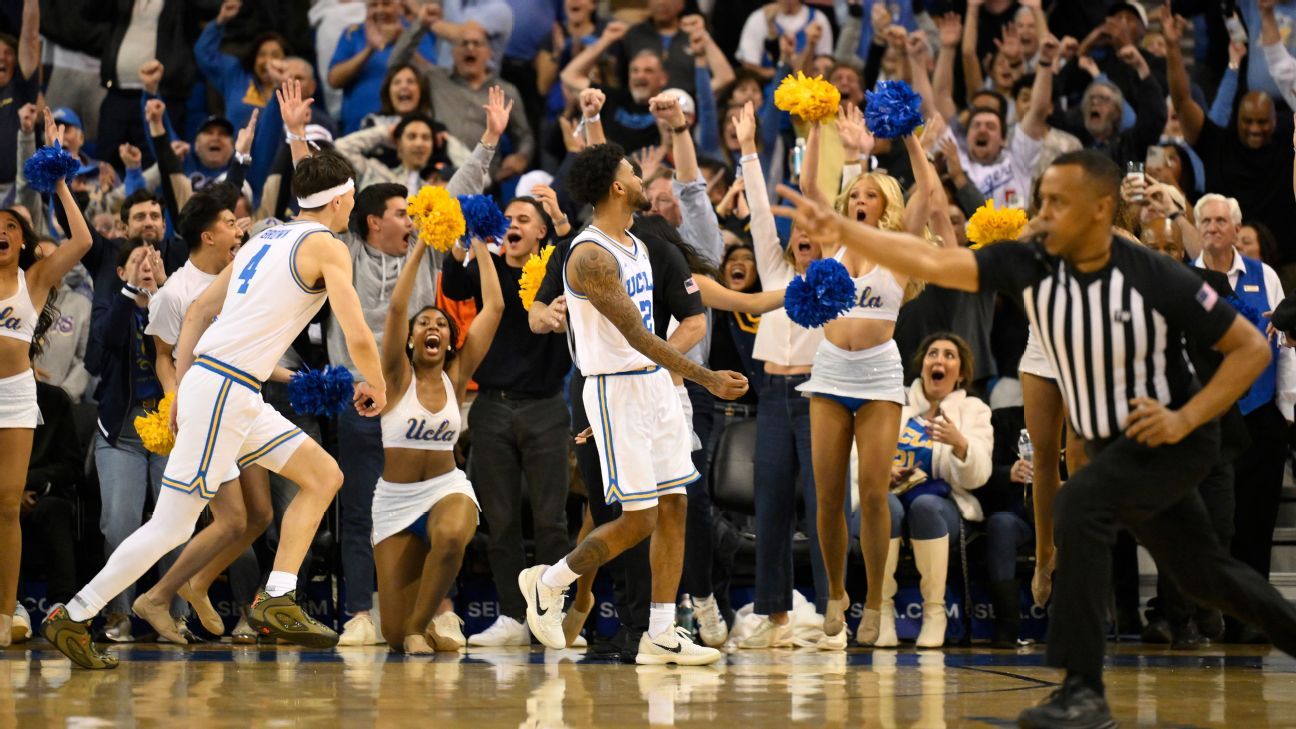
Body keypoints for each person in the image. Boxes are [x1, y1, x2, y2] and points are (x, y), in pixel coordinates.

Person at [773, 149, 1296, 727]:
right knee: (1206, 575)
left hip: (1169, 435)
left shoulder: (1153, 273)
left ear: (1101, 210)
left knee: (1078, 503)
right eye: (1040, 198)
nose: (1040, 212)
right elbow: (934, 261)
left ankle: (1082, 690)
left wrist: (1185, 418)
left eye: (1056, 202)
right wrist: (843, 228)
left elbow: (1249, 348)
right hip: (1112, 443)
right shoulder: (1030, 261)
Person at [41, 90, 388, 668]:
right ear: (344, 198)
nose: (351, 208)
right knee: (172, 524)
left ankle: (277, 595)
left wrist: (185, 386)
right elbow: (354, 333)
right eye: (351, 198)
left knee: (324, 474)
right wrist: (375, 383)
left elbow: (199, 313)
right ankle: (73, 614)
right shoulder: (328, 246)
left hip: (230, 389)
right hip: (225, 387)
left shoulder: (265, 238)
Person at [518, 142, 747, 665]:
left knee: (676, 504)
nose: (643, 178)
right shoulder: (590, 254)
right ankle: (548, 583)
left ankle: (661, 632)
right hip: (615, 389)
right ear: (617, 187)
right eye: (634, 172)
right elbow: (639, 335)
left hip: (651, 387)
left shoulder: (635, 244)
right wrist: (706, 376)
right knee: (638, 519)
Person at [441, 194, 573, 649]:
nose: (514, 224)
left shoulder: (558, 272)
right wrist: (473, 235)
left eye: (524, 219)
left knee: (551, 519)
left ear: (540, 233)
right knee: (499, 521)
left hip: (547, 406)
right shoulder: (489, 270)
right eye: (509, 218)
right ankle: (512, 616)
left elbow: (576, 249)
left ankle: (552, 614)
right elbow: (456, 285)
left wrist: (559, 219)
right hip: (492, 406)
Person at [374, 230, 502, 654]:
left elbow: (495, 306)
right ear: (411, 339)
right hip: (395, 501)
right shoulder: (394, 376)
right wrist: (423, 245)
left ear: (449, 339)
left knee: (450, 536)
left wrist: (482, 242)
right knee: (390, 635)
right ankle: (422, 626)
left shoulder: (457, 375)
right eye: (424, 323)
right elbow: (396, 307)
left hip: (446, 489)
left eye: (441, 324)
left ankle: (420, 627)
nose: (433, 327)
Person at [0, 109, 94, 647]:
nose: (5, 233)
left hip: (15, 397)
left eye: (13, 227)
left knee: (9, 506)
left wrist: (59, 181)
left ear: (24, 240)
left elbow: (80, 241)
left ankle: (9, 609)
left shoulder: (35, 280)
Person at [864, 334, 993, 649]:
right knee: (886, 507)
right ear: (922, 366)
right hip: (890, 499)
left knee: (924, 505)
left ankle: (935, 613)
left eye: (949, 356)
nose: (939, 360)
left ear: (960, 373)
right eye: (932, 353)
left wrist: (960, 444)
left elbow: (979, 477)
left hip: (940, 506)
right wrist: (881, 470)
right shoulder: (895, 402)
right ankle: (881, 612)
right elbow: (860, 451)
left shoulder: (973, 410)